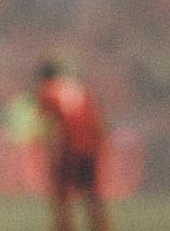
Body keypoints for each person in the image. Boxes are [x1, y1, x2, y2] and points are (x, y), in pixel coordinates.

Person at [35, 60, 111, 231]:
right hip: (90, 146)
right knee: (91, 192)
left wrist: (51, 153)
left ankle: (64, 227)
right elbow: (98, 119)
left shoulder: (47, 90)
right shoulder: (78, 87)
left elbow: (49, 124)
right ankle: (101, 227)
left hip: (69, 146)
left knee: (61, 194)